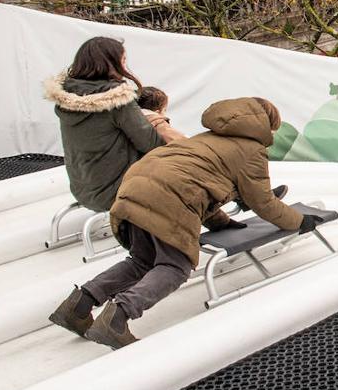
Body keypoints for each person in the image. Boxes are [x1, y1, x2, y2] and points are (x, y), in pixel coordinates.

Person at [48, 97, 313, 348]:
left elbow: (198, 185)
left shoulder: (208, 138)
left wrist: (220, 222)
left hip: (134, 188)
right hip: (168, 198)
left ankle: (78, 307)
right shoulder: (251, 150)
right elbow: (264, 202)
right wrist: (300, 220)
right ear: (266, 125)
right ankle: (117, 318)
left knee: (142, 261)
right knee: (175, 266)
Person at [44, 37, 176, 213]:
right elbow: (151, 144)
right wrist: (158, 120)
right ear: (111, 64)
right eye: (123, 60)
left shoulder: (66, 97)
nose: (125, 66)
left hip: (84, 191)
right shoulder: (117, 100)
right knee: (180, 161)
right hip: (117, 192)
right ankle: (211, 223)